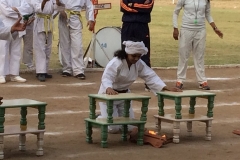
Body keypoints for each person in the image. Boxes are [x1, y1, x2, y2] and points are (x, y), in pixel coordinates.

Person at [97, 40, 182, 134]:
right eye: (134, 56)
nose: (136, 59)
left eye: (139, 56)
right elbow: (107, 76)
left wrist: (165, 87)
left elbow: (149, 75)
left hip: (124, 97)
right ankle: (99, 118)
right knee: (113, 129)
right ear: (127, 53)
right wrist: (108, 88)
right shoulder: (116, 62)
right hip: (108, 96)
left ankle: (109, 118)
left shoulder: (139, 63)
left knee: (130, 127)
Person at [173, 0, 223, 90]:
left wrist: (215, 28)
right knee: (184, 55)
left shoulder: (206, 0)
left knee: (199, 56)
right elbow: (176, 12)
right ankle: (180, 80)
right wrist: (175, 28)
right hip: (186, 29)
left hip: (200, 30)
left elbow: (207, 14)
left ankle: (202, 81)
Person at [120, 0, 154, 91]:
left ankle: (149, 83)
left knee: (144, 53)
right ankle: (121, 82)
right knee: (124, 53)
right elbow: (123, 6)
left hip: (142, 25)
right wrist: (139, 7)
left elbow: (148, 7)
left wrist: (132, 5)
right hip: (128, 24)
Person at [56, 0, 94, 80]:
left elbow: (89, 5)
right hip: (63, 17)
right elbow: (55, 2)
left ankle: (78, 70)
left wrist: (90, 19)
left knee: (77, 45)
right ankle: (67, 69)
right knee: (64, 44)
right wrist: (60, 10)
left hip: (75, 18)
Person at [0, 0, 33, 84]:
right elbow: (6, 11)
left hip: (19, 24)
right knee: (3, 51)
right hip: (5, 25)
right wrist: (20, 11)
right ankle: (1, 74)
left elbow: (27, 8)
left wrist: (16, 10)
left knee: (16, 51)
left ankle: (14, 74)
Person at [32, 0, 58, 82]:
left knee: (48, 48)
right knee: (40, 48)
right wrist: (44, 1)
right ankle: (40, 72)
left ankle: (45, 70)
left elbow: (55, 8)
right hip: (40, 20)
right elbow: (37, 8)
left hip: (49, 20)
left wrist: (57, 3)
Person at [22, 0, 35, 70]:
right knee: (14, 45)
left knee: (29, 45)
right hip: (17, 21)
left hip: (30, 22)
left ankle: (29, 64)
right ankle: (10, 66)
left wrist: (33, 18)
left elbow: (37, 7)